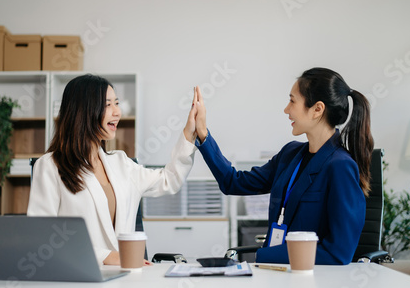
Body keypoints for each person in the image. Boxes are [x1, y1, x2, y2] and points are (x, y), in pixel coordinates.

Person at [192, 67, 374, 265]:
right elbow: (232, 182)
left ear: (317, 109)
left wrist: (266, 255)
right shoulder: (290, 154)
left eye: (292, 101)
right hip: (278, 272)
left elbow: (338, 253)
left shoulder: (340, 166)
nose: (286, 109)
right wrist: (202, 132)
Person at [28, 74, 200, 266]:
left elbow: (170, 179)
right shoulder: (50, 166)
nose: (117, 112)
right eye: (108, 104)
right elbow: (41, 237)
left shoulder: (121, 163)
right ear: (83, 111)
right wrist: (108, 257)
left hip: (123, 276)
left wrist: (189, 133)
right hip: (77, 277)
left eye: (116, 103)